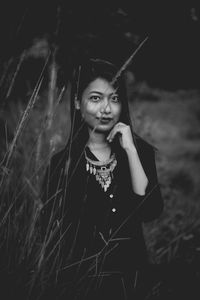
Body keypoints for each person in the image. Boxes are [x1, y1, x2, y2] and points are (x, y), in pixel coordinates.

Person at [39, 58, 163, 300]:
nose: (106, 109)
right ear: (77, 102)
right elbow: (49, 231)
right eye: (95, 98)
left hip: (133, 280)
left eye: (114, 98)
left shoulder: (140, 152)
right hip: (81, 284)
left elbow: (150, 211)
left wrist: (130, 151)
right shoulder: (62, 164)